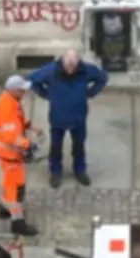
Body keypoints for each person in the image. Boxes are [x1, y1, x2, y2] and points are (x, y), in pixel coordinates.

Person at [28, 50, 108, 189]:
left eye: (73, 66)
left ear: (78, 63)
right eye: (68, 66)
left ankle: (80, 170)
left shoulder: (86, 70)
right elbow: (32, 80)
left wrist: (90, 93)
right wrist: (46, 95)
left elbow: (102, 78)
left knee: (79, 145)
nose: (70, 70)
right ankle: (55, 172)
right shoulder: (51, 71)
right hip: (58, 117)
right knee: (56, 146)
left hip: (78, 116)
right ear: (63, 62)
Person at [0, 75, 42, 237]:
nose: (25, 92)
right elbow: (11, 137)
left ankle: (3, 207)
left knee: (7, 182)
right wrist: (28, 144)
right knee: (17, 189)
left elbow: (17, 120)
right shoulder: (8, 106)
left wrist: (30, 126)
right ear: (13, 90)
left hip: (4, 151)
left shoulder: (9, 101)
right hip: (9, 153)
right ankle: (17, 222)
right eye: (22, 89)